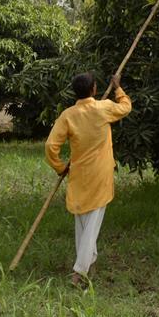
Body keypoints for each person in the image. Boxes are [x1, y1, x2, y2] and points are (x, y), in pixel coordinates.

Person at [45, 73, 132, 286]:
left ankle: (88, 264)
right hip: (100, 175)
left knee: (83, 223)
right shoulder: (104, 108)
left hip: (79, 175)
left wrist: (59, 167)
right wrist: (117, 88)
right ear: (93, 89)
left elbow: (50, 146)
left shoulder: (68, 115)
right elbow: (126, 107)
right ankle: (79, 272)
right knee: (91, 224)